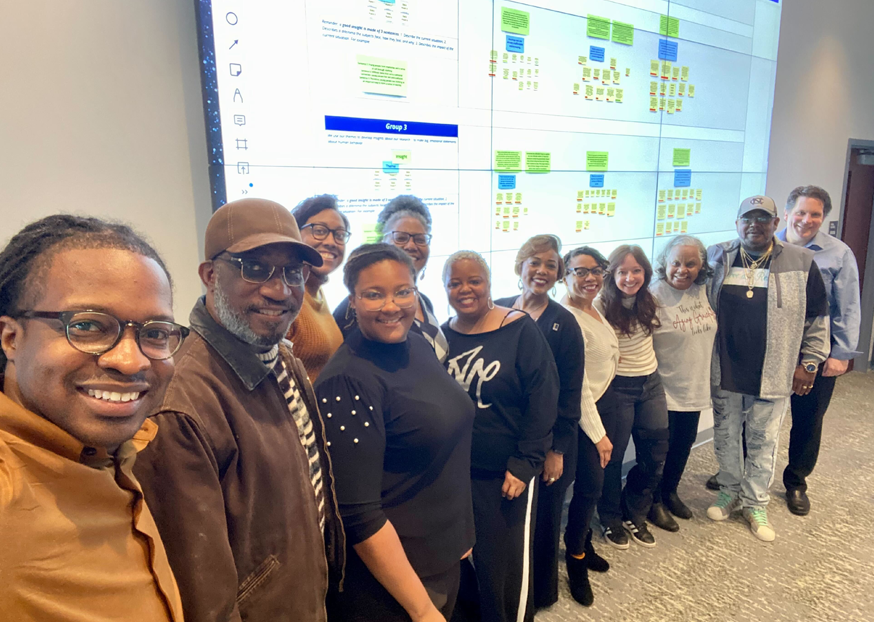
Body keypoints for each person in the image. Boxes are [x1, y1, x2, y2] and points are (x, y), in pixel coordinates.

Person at [134, 198, 345, 621]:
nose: (279, 290)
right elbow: (203, 597)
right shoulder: (181, 408)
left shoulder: (281, 357)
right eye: (255, 268)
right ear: (210, 275)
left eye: (292, 272)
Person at [0, 215, 187, 621]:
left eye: (155, 333)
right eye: (86, 326)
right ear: (11, 338)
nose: (131, 361)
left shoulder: (115, 453)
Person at [315, 244, 475, 622]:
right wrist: (421, 609)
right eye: (374, 294)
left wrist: (460, 535)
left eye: (403, 291)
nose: (391, 306)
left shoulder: (416, 344)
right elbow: (359, 515)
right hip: (397, 584)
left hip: (442, 556)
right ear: (352, 301)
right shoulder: (346, 382)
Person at [442, 251, 558, 622]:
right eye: (455, 283)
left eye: (474, 280)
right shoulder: (443, 337)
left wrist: (525, 462)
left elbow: (543, 398)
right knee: (464, 563)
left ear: (489, 283)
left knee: (503, 567)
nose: (465, 289)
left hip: (506, 474)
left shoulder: (519, 329)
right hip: (458, 474)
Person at [705, 195, 829, 542]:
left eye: (763, 219)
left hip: (773, 369)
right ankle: (729, 491)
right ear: (737, 223)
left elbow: (817, 318)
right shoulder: (716, 256)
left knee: (763, 439)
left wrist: (809, 362)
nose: (754, 226)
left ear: (776, 223)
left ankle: (755, 502)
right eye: (748, 219)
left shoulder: (801, 262)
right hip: (725, 366)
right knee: (726, 435)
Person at [494, 234, 583, 613]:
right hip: (505, 437)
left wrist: (556, 450)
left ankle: (541, 595)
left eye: (551, 265)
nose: (542, 270)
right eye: (535, 262)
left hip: (546, 444)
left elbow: (570, 393)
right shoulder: (496, 308)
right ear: (521, 265)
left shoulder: (564, 323)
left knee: (543, 523)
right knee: (509, 523)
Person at [777, 186, 861, 515]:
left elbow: (848, 306)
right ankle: (738, 472)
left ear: (824, 217)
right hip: (771, 348)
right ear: (787, 213)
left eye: (815, 214)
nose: (806, 220)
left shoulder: (838, 254)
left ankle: (796, 481)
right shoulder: (768, 246)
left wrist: (841, 353)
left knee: (808, 419)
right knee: (753, 416)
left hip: (816, 351)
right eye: (800, 212)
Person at [595, 245, 669, 549]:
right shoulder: (600, 304)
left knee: (655, 455)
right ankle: (610, 517)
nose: (630, 277)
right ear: (611, 274)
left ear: (645, 273)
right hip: (618, 388)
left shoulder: (650, 299)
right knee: (611, 459)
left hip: (651, 383)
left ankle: (634, 510)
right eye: (622, 271)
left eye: (636, 270)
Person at [560, 246, 619, 607]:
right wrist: (598, 435)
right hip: (583, 416)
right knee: (589, 487)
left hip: (602, 405)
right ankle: (575, 558)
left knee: (591, 487)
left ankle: (581, 540)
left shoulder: (593, 307)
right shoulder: (568, 318)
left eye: (596, 270)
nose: (590, 277)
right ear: (564, 276)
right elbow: (577, 386)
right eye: (580, 271)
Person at [648, 235, 717, 532]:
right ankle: (652, 501)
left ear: (701, 266)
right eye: (676, 262)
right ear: (665, 263)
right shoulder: (653, 296)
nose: (682, 270)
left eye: (690, 263)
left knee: (683, 446)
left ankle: (670, 492)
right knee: (658, 452)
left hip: (694, 386)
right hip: (663, 390)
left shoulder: (704, 290)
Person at [335, 195, 448, 361]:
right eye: (401, 238)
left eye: (420, 239)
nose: (411, 246)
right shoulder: (355, 310)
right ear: (382, 241)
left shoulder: (423, 302)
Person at [286, 194, 349, 380]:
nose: (331, 242)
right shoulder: (285, 296)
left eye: (339, 235)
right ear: (295, 234)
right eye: (320, 231)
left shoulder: (316, 290)